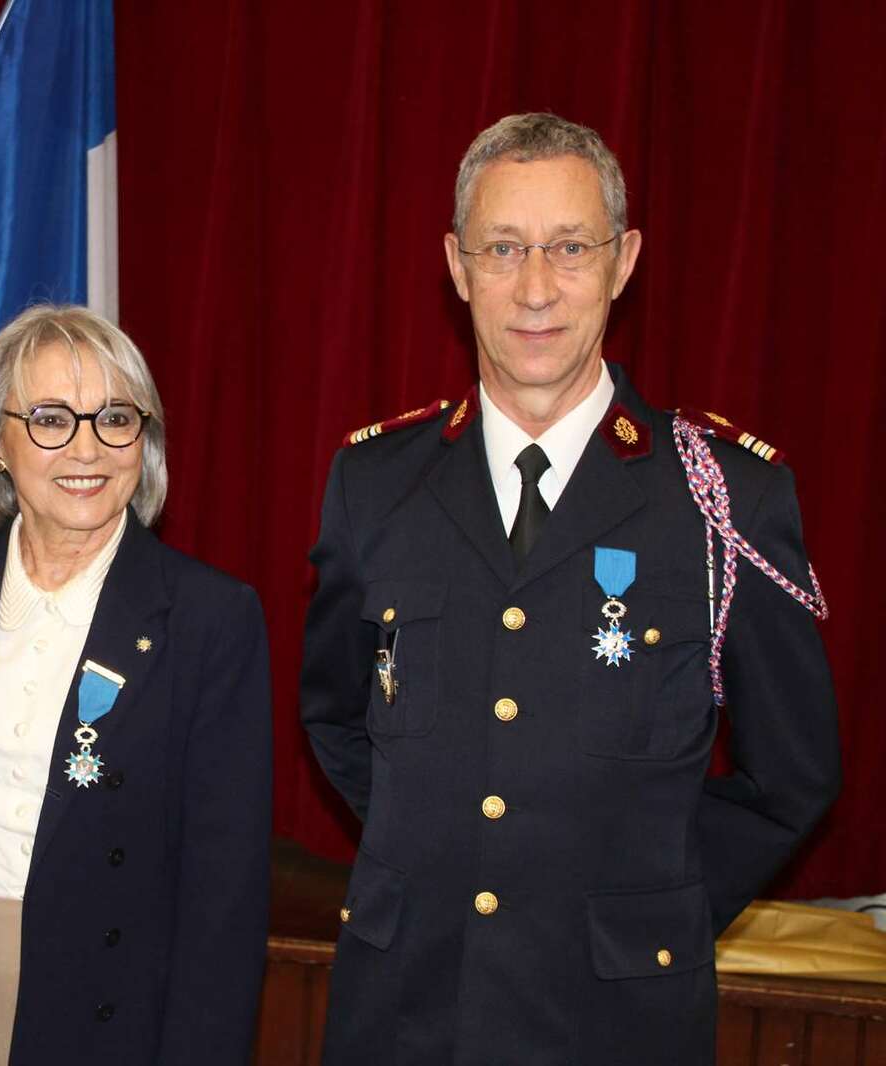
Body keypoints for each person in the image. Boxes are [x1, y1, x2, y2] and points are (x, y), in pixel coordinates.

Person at [301, 113, 839, 1064]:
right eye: (504, 248)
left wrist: (650, 905)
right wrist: (434, 856)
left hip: (616, 1021)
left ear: (623, 262)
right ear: (458, 266)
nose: (536, 287)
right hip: (406, 1012)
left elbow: (792, 776)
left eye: (570, 247)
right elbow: (339, 717)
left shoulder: (724, 499)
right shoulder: (375, 485)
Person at [0, 304, 272, 1066]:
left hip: (106, 1007)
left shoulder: (210, 619)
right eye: (49, 419)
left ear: (145, 440)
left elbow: (224, 905)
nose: (87, 448)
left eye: (115, 418)